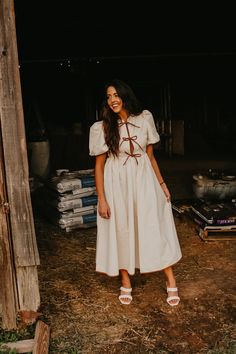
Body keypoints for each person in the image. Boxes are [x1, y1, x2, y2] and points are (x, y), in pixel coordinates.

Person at [89, 79, 182, 306]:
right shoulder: (102, 127)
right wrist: (101, 198)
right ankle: (125, 281)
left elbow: (150, 156)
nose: (112, 100)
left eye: (115, 95)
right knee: (121, 228)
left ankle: (170, 279)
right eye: (108, 96)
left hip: (144, 180)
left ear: (125, 96)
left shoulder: (144, 118)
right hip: (117, 184)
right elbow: (99, 167)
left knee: (154, 225)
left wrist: (161, 184)